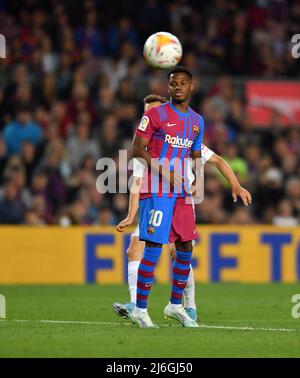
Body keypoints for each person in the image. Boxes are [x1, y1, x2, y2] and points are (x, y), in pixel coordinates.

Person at [113, 97, 252, 323]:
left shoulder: (183, 136)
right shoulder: (144, 149)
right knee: (135, 249)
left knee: (180, 253)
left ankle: (189, 306)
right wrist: (131, 215)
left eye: (153, 111)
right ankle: (135, 304)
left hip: (180, 200)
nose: (148, 117)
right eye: (145, 113)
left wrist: (234, 184)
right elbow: (138, 184)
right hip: (154, 200)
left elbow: (217, 160)